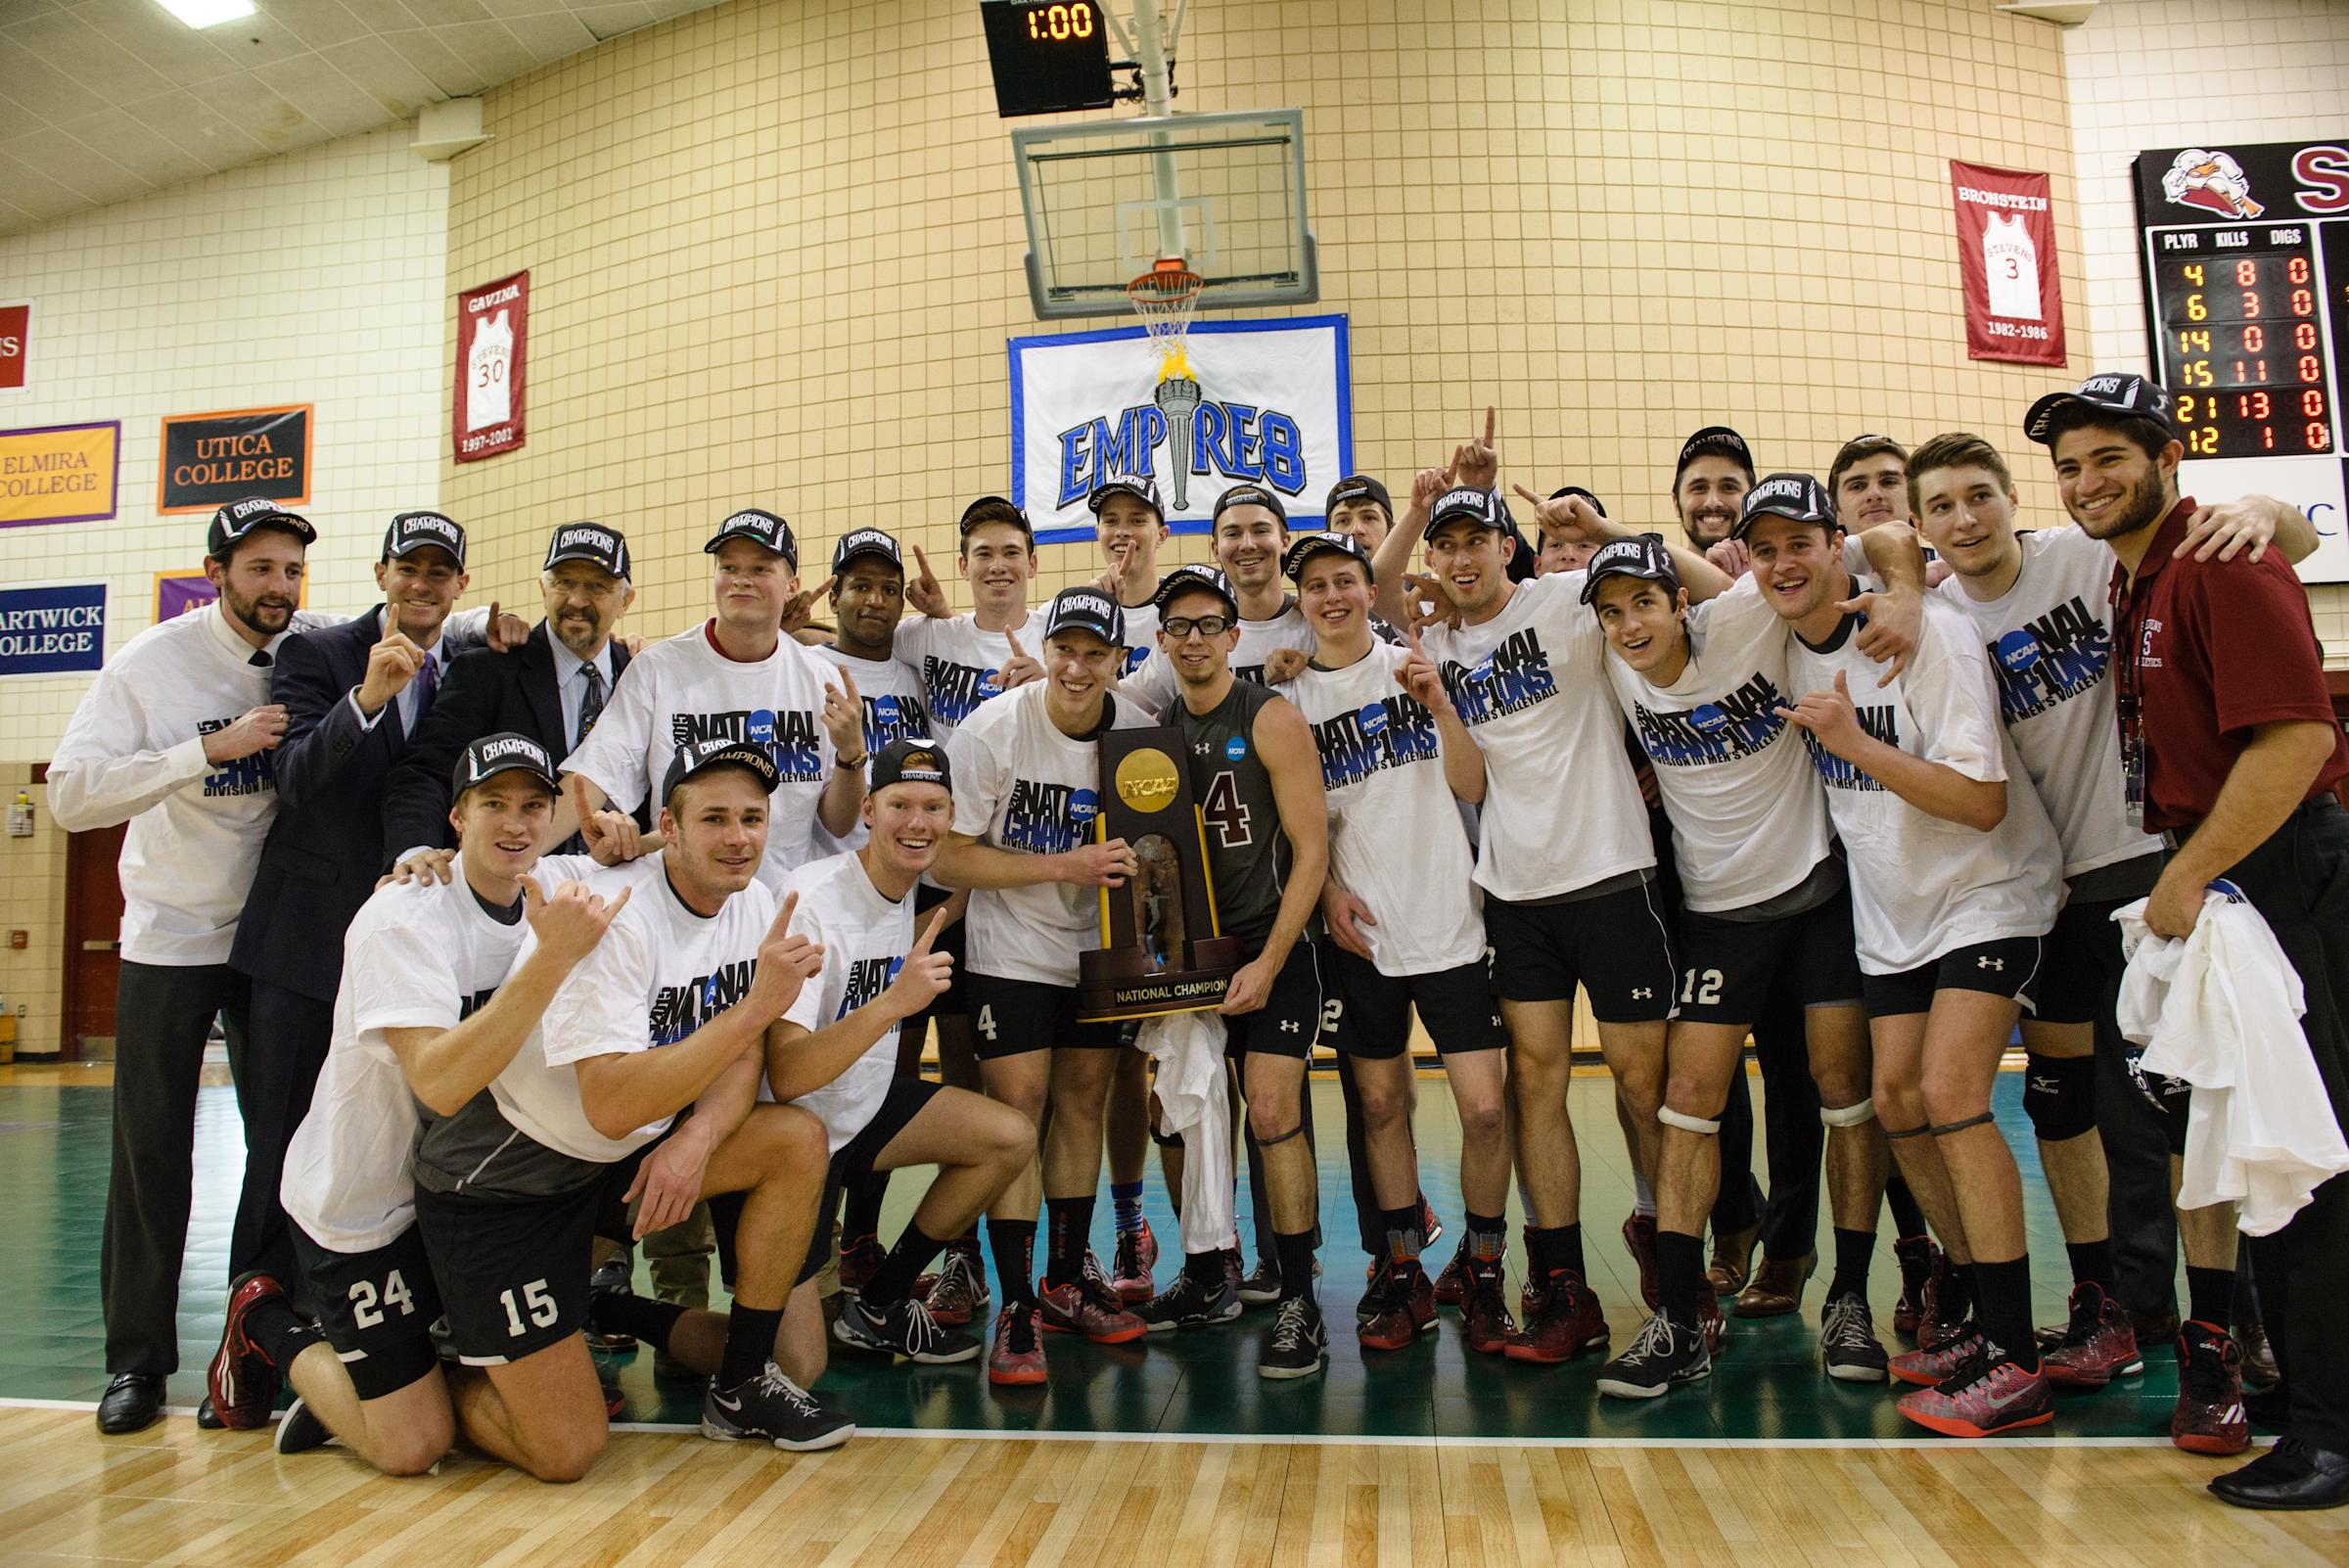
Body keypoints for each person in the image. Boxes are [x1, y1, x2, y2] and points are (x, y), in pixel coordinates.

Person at [1912, 427, 2313, 1454]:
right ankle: (2115, 1312)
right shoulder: (1938, 614)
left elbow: (2288, 547)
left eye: (1979, 495)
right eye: (1940, 506)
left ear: (2013, 500)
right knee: (2077, 1110)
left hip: (2156, 861)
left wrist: (2268, 512)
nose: (1964, 518)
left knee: (2187, 1112)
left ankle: (2232, 1339)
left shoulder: (2088, 557)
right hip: (2051, 889)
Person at [2030, 372, 2349, 1508]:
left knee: (2304, 1154)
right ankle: (2306, 1398)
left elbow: (2297, 741)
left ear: (2166, 457)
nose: (2086, 482)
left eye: (2108, 457)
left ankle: (2332, 1435)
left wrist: (2190, 874)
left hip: (2279, 879)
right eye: (2069, 466)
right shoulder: (2142, 578)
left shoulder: (2219, 557)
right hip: (2229, 882)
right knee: (2260, 1142)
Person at [410, 738, 852, 1477]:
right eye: (714, 818)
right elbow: (611, 1100)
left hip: (613, 1164)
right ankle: (425, 1375)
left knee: (796, 1143)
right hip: (508, 1182)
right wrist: (753, 1013)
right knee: (567, 1452)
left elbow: (739, 1057)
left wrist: (699, 1136)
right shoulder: (617, 914)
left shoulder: (755, 903)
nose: (739, 838)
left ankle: (737, 1382)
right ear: (669, 829)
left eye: (752, 817)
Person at [1746, 471, 2065, 1438]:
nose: (1782, 563)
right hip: (1892, 917)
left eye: (1799, 541)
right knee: (1895, 1101)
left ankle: (2016, 1359)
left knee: (1955, 1097)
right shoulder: (1776, 641)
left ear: (1837, 542)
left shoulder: (1926, 632)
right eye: (1764, 550)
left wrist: (1853, 737)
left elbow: (1980, 801)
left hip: (1989, 896)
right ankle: (1971, 1306)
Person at [214, 734, 619, 1469]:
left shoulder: (552, 888)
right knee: (412, 1447)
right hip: (365, 1205)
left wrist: (634, 835)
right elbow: (437, 1080)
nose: (515, 823)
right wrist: (553, 959)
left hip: (464, 1197)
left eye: (533, 805)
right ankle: (269, 1322)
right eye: (493, 803)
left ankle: (412, 1374)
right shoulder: (404, 916)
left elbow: (664, 869)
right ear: (457, 818)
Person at [1364, 413, 1672, 1364]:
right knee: (1536, 1088)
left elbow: (1650, 576)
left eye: (1475, 540)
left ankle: (1676, 1268)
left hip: (1613, 879)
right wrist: (1419, 513)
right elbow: (1381, 588)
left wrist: (1594, 524)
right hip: (1516, 895)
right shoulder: (1439, 648)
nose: (1460, 559)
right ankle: (1563, 1289)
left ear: (1511, 547)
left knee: (1639, 1081)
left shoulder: (1568, 603)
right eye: (1446, 546)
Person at [1563, 528, 1897, 1396]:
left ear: (1683, 602)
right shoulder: (1607, 667)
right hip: (1716, 915)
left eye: (1644, 601)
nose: (1630, 624)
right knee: (1688, 1104)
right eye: (1611, 612)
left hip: (1816, 895)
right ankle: (1678, 1321)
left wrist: (1903, 585)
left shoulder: (1744, 620)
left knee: (1844, 1091)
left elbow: (1864, 541)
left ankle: (1851, 1300)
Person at [51, 498, 319, 1435]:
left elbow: (406, 617)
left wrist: (474, 620)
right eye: (261, 570)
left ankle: (268, 1348)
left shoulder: (312, 645)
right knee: (151, 1153)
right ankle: (135, 1364)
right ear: (217, 572)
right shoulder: (148, 666)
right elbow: (73, 796)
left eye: (291, 571)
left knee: (286, 1148)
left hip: (274, 940)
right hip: (171, 936)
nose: (279, 588)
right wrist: (203, 750)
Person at [224, 512, 476, 1351]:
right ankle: (256, 1327)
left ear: (459, 588)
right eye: (410, 568)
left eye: (440, 573)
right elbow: (294, 779)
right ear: (381, 573)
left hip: (408, 951)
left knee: (390, 1144)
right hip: (304, 943)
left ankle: (365, 1327)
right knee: (282, 1142)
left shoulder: (469, 666)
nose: (423, 585)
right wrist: (368, 698)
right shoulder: (317, 654)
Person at [1267, 533, 1512, 1356]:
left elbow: (1472, 785)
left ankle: (1482, 1267)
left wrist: (1440, 704)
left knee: (1483, 1108)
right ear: (1299, 602)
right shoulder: (1288, 701)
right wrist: (1328, 890)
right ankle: (1402, 1268)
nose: (1332, 596)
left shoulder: (1415, 664)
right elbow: (1300, 825)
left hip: (1451, 921)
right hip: (1359, 934)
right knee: (1378, 1105)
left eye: (1346, 581)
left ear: (1371, 591)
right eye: (1315, 587)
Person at [743, 740, 1037, 1364]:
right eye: (900, 805)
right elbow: (788, 1074)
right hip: (791, 1136)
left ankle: (882, 1300)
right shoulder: (813, 899)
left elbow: (970, 881)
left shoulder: (911, 887)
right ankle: (621, 1309)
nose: (918, 822)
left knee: (1008, 1137)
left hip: (863, 1114)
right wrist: (892, 1004)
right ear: (870, 810)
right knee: (801, 1365)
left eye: (933, 807)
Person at [934, 587, 1152, 1384]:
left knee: (1085, 1105)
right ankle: (1019, 1303)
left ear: (1118, 661)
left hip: (1099, 957)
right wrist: (1066, 866)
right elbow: (949, 856)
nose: (1077, 666)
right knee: (1019, 1115)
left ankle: (1066, 1276)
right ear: (1046, 647)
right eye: (1066, 648)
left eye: (1096, 653)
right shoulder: (993, 730)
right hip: (1012, 955)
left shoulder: (1136, 734)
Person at [1130, 565, 1333, 1377]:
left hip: (1276, 946)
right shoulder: (1155, 737)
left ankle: (1296, 1300)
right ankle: (1209, 1269)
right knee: (1171, 1108)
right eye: (1179, 626)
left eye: (1209, 624)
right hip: (1195, 955)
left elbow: (1314, 851)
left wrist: (1272, 958)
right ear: (1162, 641)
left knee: (1272, 1105)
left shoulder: (1272, 717)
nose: (1195, 639)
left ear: (1232, 634)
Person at [890, 497, 1049, 1329]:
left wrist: (1050, 676)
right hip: (934, 859)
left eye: (1010, 553)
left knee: (1046, 1085)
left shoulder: (1059, 631)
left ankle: (1071, 1250)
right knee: (949, 1062)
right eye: (981, 552)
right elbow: (833, 644)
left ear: (1032, 564)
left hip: (1017, 868)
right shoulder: (930, 639)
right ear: (963, 567)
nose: (997, 565)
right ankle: (959, 1261)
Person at [560, 507, 866, 891]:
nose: (741, 581)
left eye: (760, 569)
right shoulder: (659, 668)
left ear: (791, 584)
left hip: (785, 908)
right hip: (684, 908)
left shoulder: (820, 679)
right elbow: (595, 774)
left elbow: (837, 822)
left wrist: (851, 755)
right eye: (729, 568)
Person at [806, 527, 943, 1300]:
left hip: (903, 886)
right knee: (822, 1056)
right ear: (835, 591)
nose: (876, 599)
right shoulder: (808, 663)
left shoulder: (913, 664)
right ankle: (816, 1230)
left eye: (887, 587)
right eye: (859, 585)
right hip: (829, 890)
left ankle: (862, 1236)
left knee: (891, 1052)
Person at [383, 522, 640, 866]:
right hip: (509, 890)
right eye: (564, 582)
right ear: (543, 589)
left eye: (597, 586)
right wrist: (416, 851)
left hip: (619, 886)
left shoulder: (641, 675)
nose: (577, 600)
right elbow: (426, 773)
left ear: (626, 601)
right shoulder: (486, 672)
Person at [1084, 475, 1173, 1303]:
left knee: (1180, 1067)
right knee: (1113, 1072)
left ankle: (1221, 1239)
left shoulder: (1178, 612)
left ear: (1160, 531)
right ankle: (1127, 1227)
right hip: (1093, 882)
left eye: (1135, 519)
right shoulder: (1068, 619)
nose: (1122, 532)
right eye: (1108, 520)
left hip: (1172, 877)